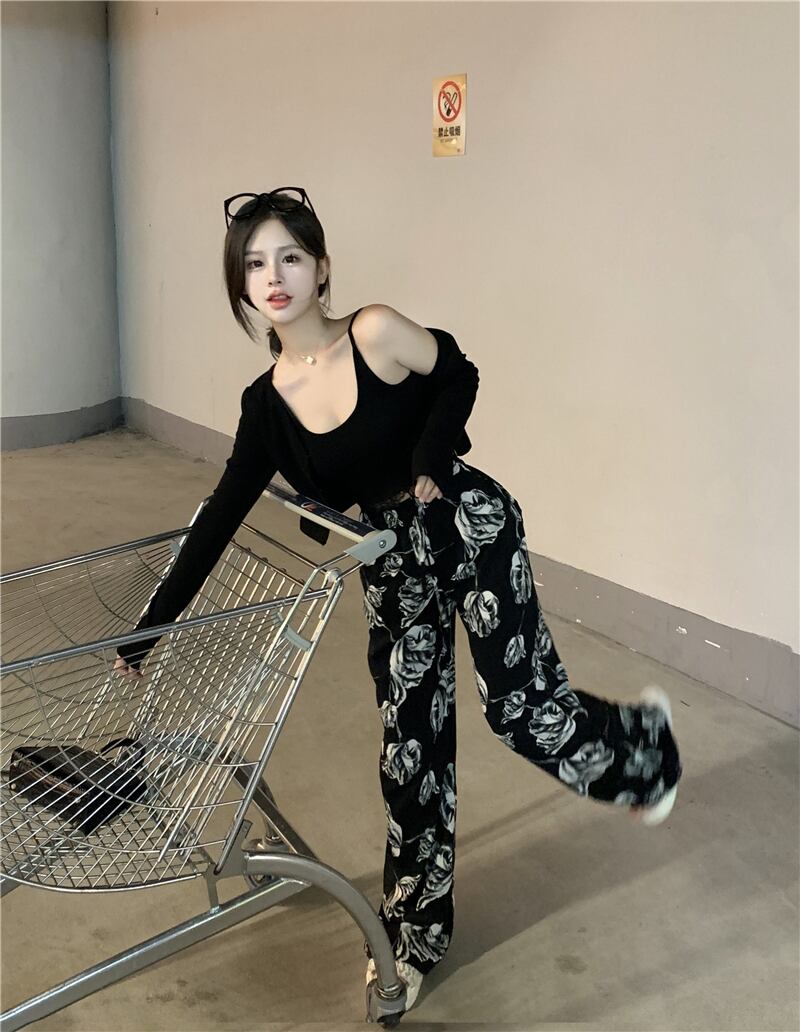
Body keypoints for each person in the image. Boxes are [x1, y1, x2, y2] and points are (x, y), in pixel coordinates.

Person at [115, 188, 683, 1012]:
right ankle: (414, 937)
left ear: (321, 269)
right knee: (409, 752)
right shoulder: (265, 408)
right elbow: (220, 516)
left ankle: (644, 751)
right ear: (240, 285)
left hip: (468, 528)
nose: (274, 277)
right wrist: (150, 628)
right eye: (255, 264)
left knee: (520, 711)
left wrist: (430, 453)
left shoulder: (374, 333)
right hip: (391, 566)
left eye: (290, 258)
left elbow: (458, 372)